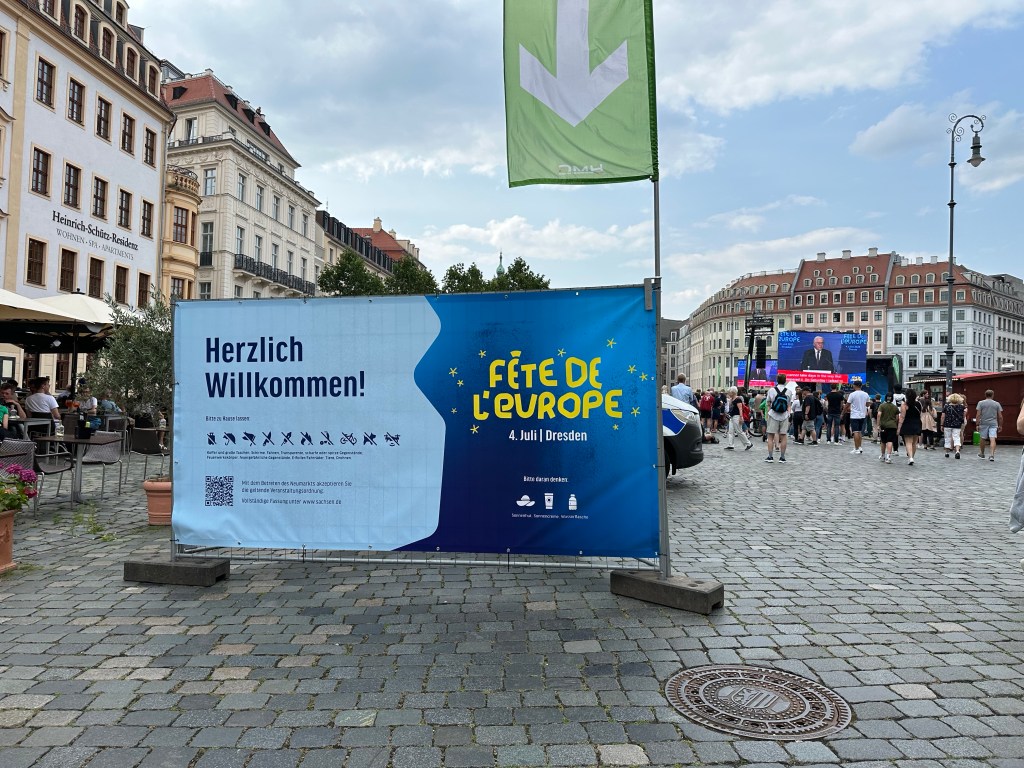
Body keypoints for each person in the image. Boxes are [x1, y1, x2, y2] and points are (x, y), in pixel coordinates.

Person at [763, 373, 790, 463]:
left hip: (773, 415)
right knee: (784, 436)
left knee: (770, 436)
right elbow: (788, 404)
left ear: (777, 380)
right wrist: (788, 414)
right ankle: (782, 457)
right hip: (784, 415)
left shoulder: (771, 390)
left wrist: (768, 413)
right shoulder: (788, 391)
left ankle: (770, 457)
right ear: (785, 381)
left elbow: (768, 403)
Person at [974, 389, 1003, 462]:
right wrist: (1000, 425)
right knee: (992, 439)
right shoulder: (997, 404)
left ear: (985, 395)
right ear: (993, 395)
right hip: (993, 423)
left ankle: (982, 453)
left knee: (982, 438)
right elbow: (1000, 416)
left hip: (984, 423)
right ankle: (992, 455)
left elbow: (978, 415)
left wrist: (977, 424)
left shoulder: (981, 403)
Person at [898, 388, 923, 466]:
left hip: (907, 424)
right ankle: (912, 457)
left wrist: (899, 428)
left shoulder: (904, 405)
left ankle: (910, 457)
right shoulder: (919, 404)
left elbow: (902, 417)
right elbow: (920, 414)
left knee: (908, 442)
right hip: (917, 423)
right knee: (914, 443)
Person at [724, 387, 753, 451]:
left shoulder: (738, 399)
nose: (728, 394)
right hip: (732, 416)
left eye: (729, 393)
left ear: (733, 392)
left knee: (739, 431)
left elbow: (740, 409)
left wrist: (741, 417)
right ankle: (730, 445)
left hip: (737, 416)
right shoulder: (732, 399)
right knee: (730, 431)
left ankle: (748, 443)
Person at [847, 379, 870, 455]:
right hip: (862, 415)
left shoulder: (852, 394)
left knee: (855, 432)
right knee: (859, 432)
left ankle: (857, 448)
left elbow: (847, 404)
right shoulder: (866, 394)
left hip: (854, 415)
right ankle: (859, 447)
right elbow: (868, 404)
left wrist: (843, 412)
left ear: (855, 385)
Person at [943, 393, 966, 459]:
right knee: (956, 437)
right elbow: (963, 415)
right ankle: (957, 451)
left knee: (947, 438)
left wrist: (941, 424)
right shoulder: (961, 407)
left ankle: (947, 452)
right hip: (957, 424)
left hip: (947, 424)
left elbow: (943, 416)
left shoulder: (946, 406)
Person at [878, 392, 899, 464]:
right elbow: (897, 418)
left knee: (883, 441)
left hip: (883, 426)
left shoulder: (882, 406)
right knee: (890, 441)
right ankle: (888, 457)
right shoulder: (895, 407)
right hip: (892, 426)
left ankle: (883, 455)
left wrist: (878, 424)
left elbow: (879, 415)